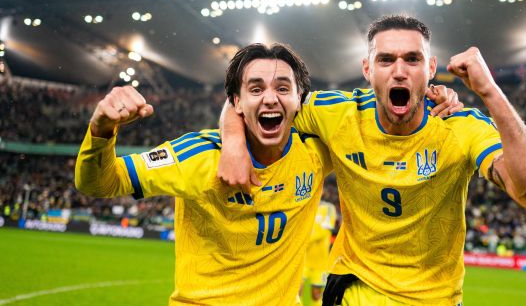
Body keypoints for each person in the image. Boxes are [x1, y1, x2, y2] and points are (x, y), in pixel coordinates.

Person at [218, 15, 526, 305]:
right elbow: (256, 98)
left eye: (412, 59)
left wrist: (490, 91)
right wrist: (233, 143)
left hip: (434, 297)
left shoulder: (461, 127)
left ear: (431, 68)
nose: (399, 71)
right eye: (385, 60)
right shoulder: (338, 113)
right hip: (355, 289)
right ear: (367, 69)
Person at [75, 43, 333, 305]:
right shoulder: (197, 156)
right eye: (256, 89)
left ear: (299, 99)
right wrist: (100, 130)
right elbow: (99, 184)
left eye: (282, 88)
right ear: (237, 102)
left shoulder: (315, 152)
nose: (270, 98)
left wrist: (234, 138)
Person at [302, 199, 338, 306]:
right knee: (297, 290)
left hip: (321, 262)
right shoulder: (305, 205)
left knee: (316, 294)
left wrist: (304, 240)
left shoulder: (329, 208)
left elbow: (324, 231)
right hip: (303, 260)